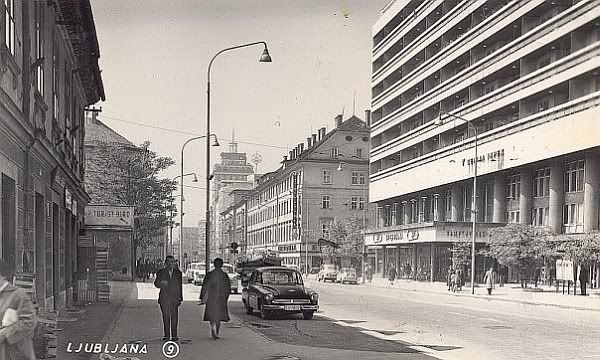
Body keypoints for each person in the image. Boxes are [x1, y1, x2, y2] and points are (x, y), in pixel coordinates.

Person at [0, 259, 37, 360]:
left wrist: (4, 334)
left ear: (2, 275)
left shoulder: (17, 295)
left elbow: (29, 322)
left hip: (14, 351)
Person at [199, 258, 231, 340]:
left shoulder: (209, 274)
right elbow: (228, 288)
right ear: (222, 265)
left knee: (211, 314)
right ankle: (217, 331)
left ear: (214, 264)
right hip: (221, 298)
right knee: (219, 316)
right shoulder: (224, 275)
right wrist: (226, 297)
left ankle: (212, 328)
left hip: (211, 298)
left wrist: (202, 297)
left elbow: (205, 286)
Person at [154, 255, 183, 341]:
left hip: (174, 298)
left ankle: (174, 336)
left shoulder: (178, 273)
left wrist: (180, 298)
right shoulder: (161, 272)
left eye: (172, 262)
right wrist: (161, 283)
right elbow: (156, 283)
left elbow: (180, 286)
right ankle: (167, 335)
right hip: (164, 298)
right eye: (169, 262)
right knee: (166, 317)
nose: (171, 264)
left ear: (174, 263)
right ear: (166, 263)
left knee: (174, 318)